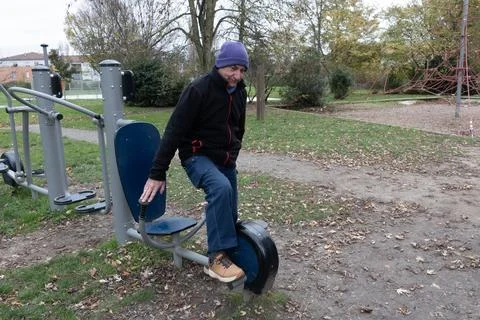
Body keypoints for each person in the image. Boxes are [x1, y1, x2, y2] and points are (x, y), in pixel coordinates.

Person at [139, 41, 249, 283]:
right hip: (196, 156)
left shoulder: (240, 92)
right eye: (233, 68)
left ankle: (229, 256)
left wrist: (233, 154)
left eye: (242, 70)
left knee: (228, 209)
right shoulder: (199, 90)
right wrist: (158, 172)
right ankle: (215, 260)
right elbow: (174, 131)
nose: (237, 75)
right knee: (220, 188)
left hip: (225, 160)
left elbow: (238, 128)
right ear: (220, 65)